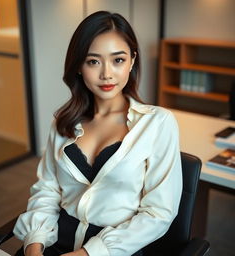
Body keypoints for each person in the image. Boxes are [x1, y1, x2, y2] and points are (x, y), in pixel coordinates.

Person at [13, 11, 182, 256]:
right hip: (54, 242)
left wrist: (88, 253)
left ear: (132, 61)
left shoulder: (157, 124)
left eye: (118, 60)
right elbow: (47, 190)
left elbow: (158, 213)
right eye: (93, 61)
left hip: (115, 248)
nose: (106, 74)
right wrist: (34, 244)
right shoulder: (63, 122)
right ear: (79, 66)